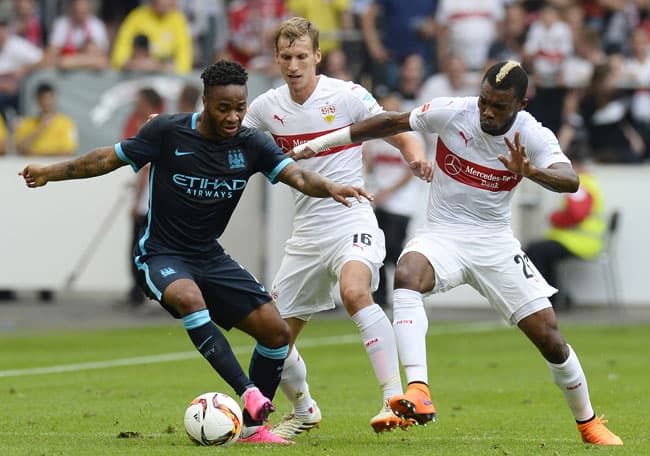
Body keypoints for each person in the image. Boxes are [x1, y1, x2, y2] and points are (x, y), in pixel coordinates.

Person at [19, 59, 373, 445]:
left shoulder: (252, 143)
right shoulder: (167, 131)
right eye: (224, 108)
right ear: (205, 101)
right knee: (189, 297)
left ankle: (253, 430)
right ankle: (246, 391)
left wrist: (330, 187)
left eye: (240, 107)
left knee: (276, 332)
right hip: (160, 254)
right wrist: (50, 173)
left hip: (209, 257)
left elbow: (298, 175)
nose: (234, 116)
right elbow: (106, 158)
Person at [291, 60, 623, 446]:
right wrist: (322, 142)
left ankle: (588, 423)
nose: (487, 111)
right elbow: (389, 123)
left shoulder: (532, 134)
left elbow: (569, 180)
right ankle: (418, 389)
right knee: (408, 273)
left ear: (521, 104)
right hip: (442, 235)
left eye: (499, 106)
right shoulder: (453, 111)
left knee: (550, 337)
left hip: (495, 243)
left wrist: (530, 171)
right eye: (484, 100)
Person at [242, 17, 432, 438]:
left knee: (354, 291)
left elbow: (398, 128)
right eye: (286, 57)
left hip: (351, 217)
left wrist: (415, 156)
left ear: (317, 57)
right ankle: (305, 409)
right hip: (306, 234)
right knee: (275, 338)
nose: (294, 66)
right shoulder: (266, 107)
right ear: (277, 57)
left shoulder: (346, 96)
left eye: (301, 57)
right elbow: (223, 137)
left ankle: (393, 398)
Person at [362, 93, 424, 308]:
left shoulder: (410, 136)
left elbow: (410, 170)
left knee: (394, 249)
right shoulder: (376, 140)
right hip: (380, 200)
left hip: (401, 203)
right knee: (378, 250)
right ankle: (380, 298)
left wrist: (388, 191)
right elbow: (371, 167)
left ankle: (407, 291)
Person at [525, 152, 606, 310]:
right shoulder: (588, 182)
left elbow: (577, 213)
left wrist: (556, 218)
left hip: (579, 242)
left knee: (536, 251)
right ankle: (558, 297)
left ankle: (548, 302)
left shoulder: (579, 184)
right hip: (581, 241)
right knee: (542, 253)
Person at [121, 87, 165, 306]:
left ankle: (142, 291)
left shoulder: (150, 129)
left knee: (138, 248)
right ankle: (144, 290)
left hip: (146, 203)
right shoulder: (165, 127)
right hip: (156, 202)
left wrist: (135, 199)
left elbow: (145, 169)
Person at [111, 0, 193, 74]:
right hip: (136, 76)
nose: (164, 2)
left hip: (167, 80)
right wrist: (135, 64)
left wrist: (159, 67)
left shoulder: (178, 20)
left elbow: (184, 61)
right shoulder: (136, 17)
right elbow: (119, 58)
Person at [14, 82, 78, 156]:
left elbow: (68, 151)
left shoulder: (66, 123)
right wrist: (41, 128)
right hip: (32, 165)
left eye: (50, 98)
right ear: (38, 100)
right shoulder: (25, 123)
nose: (47, 102)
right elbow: (20, 149)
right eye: (43, 98)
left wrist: (35, 154)